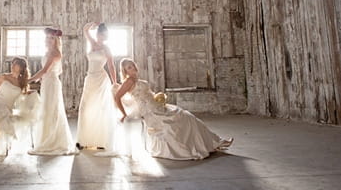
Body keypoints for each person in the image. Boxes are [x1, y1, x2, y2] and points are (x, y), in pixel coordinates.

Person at [114, 58, 233, 160]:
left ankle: (215, 142)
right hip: (151, 112)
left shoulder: (136, 79)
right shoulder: (129, 81)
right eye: (129, 67)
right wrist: (124, 114)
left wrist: (158, 97)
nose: (133, 68)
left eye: (133, 65)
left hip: (157, 106)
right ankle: (210, 144)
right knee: (182, 120)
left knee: (188, 117)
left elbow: (147, 93)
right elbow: (117, 97)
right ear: (125, 71)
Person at [27, 28, 77, 155]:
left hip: (52, 84)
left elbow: (45, 70)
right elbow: (47, 72)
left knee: (52, 109)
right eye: (48, 37)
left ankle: (53, 141)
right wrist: (41, 79)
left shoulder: (55, 53)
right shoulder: (48, 52)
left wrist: (30, 80)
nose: (49, 40)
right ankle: (46, 138)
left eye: (52, 38)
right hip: (47, 83)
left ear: (56, 40)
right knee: (46, 109)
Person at [76, 22, 117, 151]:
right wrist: (93, 24)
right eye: (101, 34)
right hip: (90, 78)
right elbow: (85, 29)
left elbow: (111, 66)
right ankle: (83, 141)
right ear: (98, 34)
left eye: (105, 35)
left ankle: (100, 141)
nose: (103, 37)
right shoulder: (92, 43)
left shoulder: (107, 49)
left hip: (101, 79)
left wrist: (114, 82)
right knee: (85, 108)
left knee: (100, 109)